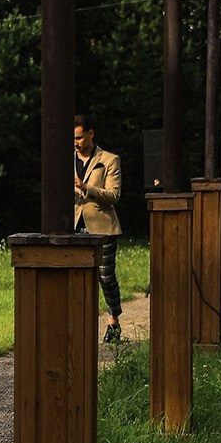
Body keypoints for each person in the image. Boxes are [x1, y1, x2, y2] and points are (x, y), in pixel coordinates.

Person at [73, 116, 124, 342]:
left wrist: (86, 188)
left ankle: (113, 319)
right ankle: (80, 323)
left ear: (90, 134)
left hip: (102, 227)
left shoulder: (109, 160)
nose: (75, 142)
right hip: (74, 226)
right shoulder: (66, 160)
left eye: (79, 137)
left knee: (106, 276)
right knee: (78, 277)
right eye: (72, 138)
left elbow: (114, 196)